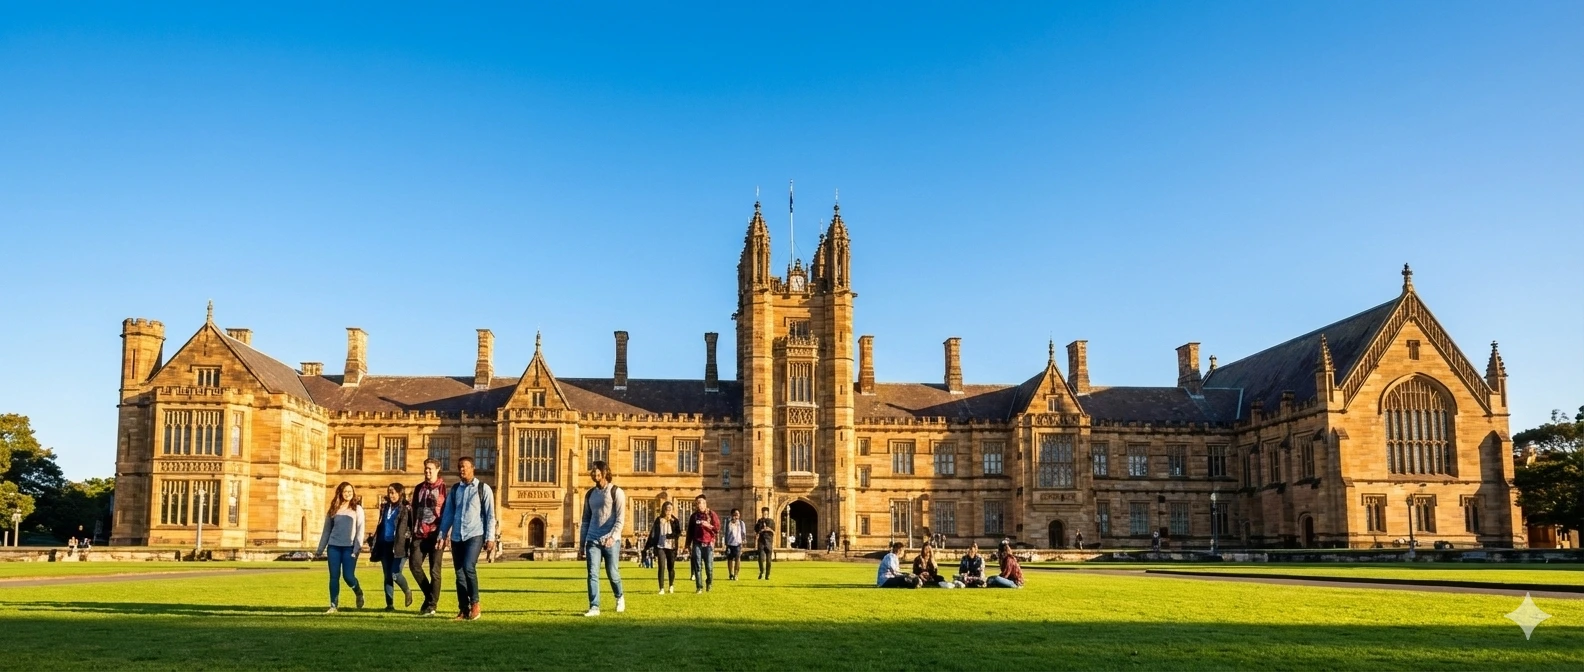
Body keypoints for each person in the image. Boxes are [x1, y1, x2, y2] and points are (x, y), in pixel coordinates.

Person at [437, 456, 496, 621]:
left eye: (464, 467)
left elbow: (490, 515)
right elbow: (448, 514)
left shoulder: (483, 488)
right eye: (459, 467)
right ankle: (463, 609)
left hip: (474, 534)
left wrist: (490, 537)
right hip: (457, 536)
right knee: (459, 573)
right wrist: (442, 534)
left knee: (469, 567)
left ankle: (475, 603)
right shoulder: (455, 490)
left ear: (473, 468)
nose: (461, 470)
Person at [580, 460, 626, 616]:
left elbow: (620, 519)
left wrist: (613, 537)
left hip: (611, 540)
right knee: (592, 573)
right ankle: (594, 606)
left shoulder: (616, 492)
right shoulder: (589, 494)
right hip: (593, 539)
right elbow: (585, 520)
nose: (593, 473)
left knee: (612, 572)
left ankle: (619, 597)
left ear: (604, 472)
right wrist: (582, 543)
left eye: (596, 470)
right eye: (592, 471)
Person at [315, 482, 367, 613]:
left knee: (348, 576)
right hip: (334, 547)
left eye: (350, 491)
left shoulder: (357, 509)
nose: (348, 494)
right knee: (334, 576)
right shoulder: (333, 509)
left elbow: (360, 529)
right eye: (345, 491)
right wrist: (320, 549)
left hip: (349, 548)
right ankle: (333, 605)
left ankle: (358, 592)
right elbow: (326, 530)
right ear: (340, 493)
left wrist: (357, 547)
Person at [407, 458, 448, 616]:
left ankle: (431, 605)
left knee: (434, 572)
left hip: (436, 534)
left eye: (430, 469)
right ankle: (429, 596)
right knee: (414, 566)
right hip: (419, 534)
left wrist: (444, 535)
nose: (427, 472)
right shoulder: (418, 488)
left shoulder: (445, 489)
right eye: (425, 469)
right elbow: (415, 511)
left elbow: (446, 513)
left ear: (438, 470)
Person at [371, 483, 414, 611]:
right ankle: (389, 604)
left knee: (395, 574)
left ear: (400, 493)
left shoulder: (405, 508)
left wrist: (408, 541)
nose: (392, 495)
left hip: (399, 546)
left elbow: (411, 526)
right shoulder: (384, 508)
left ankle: (407, 591)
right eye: (390, 492)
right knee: (387, 576)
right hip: (385, 545)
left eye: (394, 492)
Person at [684, 494, 721, 593]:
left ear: (705, 503)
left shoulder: (711, 514)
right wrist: (687, 544)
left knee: (709, 567)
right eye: (698, 503)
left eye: (701, 503)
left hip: (708, 544)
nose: (699, 505)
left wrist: (709, 526)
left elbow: (717, 529)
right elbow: (690, 532)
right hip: (697, 543)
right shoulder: (694, 516)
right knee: (697, 566)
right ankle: (699, 587)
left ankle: (709, 582)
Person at [646, 500, 681, 594]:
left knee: (671, 567)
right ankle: (661, 588)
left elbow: (678, 533)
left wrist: (670, 535)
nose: (668, 511)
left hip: (671, 547)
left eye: (670, 509)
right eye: (667, 509)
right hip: (660, 546)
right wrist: (647, 547)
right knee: (661, 567)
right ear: (663, 510)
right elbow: (652, 534)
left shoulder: (675, 521)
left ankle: (671, 585)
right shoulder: (658, 520)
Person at [723, 508, 748, 581]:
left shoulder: (741, 523)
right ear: (732, 515)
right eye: (735, 515)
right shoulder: (728, 522)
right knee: (730, 559)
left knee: (737, 558)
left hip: (738, 543)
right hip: (730, 543)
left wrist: (743, 541)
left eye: (738, 514)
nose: (737, 516)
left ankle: (736, 574)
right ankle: (731, 574)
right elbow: (725, 532)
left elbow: (743, 533)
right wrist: (725, 543)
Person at [754, 507, 775, 580]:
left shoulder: (771, 521)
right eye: (763, 513)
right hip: (761, 541)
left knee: (769, 560)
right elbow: (756, 530)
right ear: (762, 513)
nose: (765, 514)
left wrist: (767, 529)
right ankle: (762, 571)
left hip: (769, 541)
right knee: (760, 558)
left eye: (766, 513)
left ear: (768, 514)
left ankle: (767, 574)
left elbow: (773, 531)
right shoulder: (759, 521)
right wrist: (762, 528)